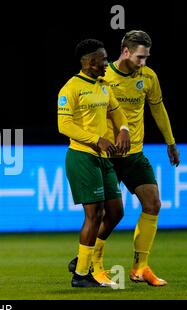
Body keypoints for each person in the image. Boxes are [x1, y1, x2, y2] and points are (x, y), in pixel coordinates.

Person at [92, 30, 180, 286]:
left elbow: (158, 109)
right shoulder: (104, 76)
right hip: (107, 154)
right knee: (106, 214)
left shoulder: (148, 76)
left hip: (134, 154)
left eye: (147, 57)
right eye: (140, 57)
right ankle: (91, 262)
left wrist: (171, 142)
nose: (144, 63)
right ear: (126, 52)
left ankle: (140, 266)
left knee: (153, 203)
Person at [58, 39, 130, 287]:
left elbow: (117, 110)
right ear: (89, 62)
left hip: (104, 158)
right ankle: (80, 275)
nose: (107, 63)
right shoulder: (71, 88)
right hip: (82, 157)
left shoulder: (103, 86)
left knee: (116, 212)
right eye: (103, 59)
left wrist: (123, 129)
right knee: (95, 214)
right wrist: (96, 139)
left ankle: (83, 257)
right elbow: (64, 125)